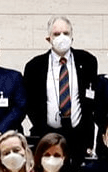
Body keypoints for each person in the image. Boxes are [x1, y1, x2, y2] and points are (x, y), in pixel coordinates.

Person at [23, 16, 100, 155]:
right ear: (49, 39)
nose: (62, 37)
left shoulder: (88, 61)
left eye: (66, 33)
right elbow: (30, 103)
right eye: (57, 34)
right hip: (46, 134)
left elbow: (91, 98)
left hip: (80, 135)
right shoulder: (34, 66)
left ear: (72, 37)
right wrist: (42, 126)